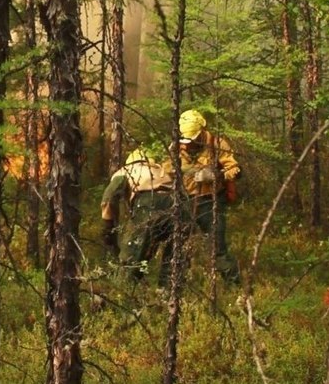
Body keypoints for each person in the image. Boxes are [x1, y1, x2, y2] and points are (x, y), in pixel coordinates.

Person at [170, 109, 241, 285]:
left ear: (201, 131)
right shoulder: (177, 147)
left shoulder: (217, 144)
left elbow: (236, 170)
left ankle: (235, 287)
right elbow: (167, 169)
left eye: (193, 137)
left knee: (217, 250)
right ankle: (176, 287)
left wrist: (216, 175)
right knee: (180, 247)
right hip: (185, 201)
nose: (190, 143)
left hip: (211, 202)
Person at [101, 148, 181, 286]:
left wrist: (108, 226)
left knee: (132, 255)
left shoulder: (126, 171)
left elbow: (109, 197)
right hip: (179, 205)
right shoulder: (161, 171)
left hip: (148, 205)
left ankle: (121, 293)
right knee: (173, 260)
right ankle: (168, 296)